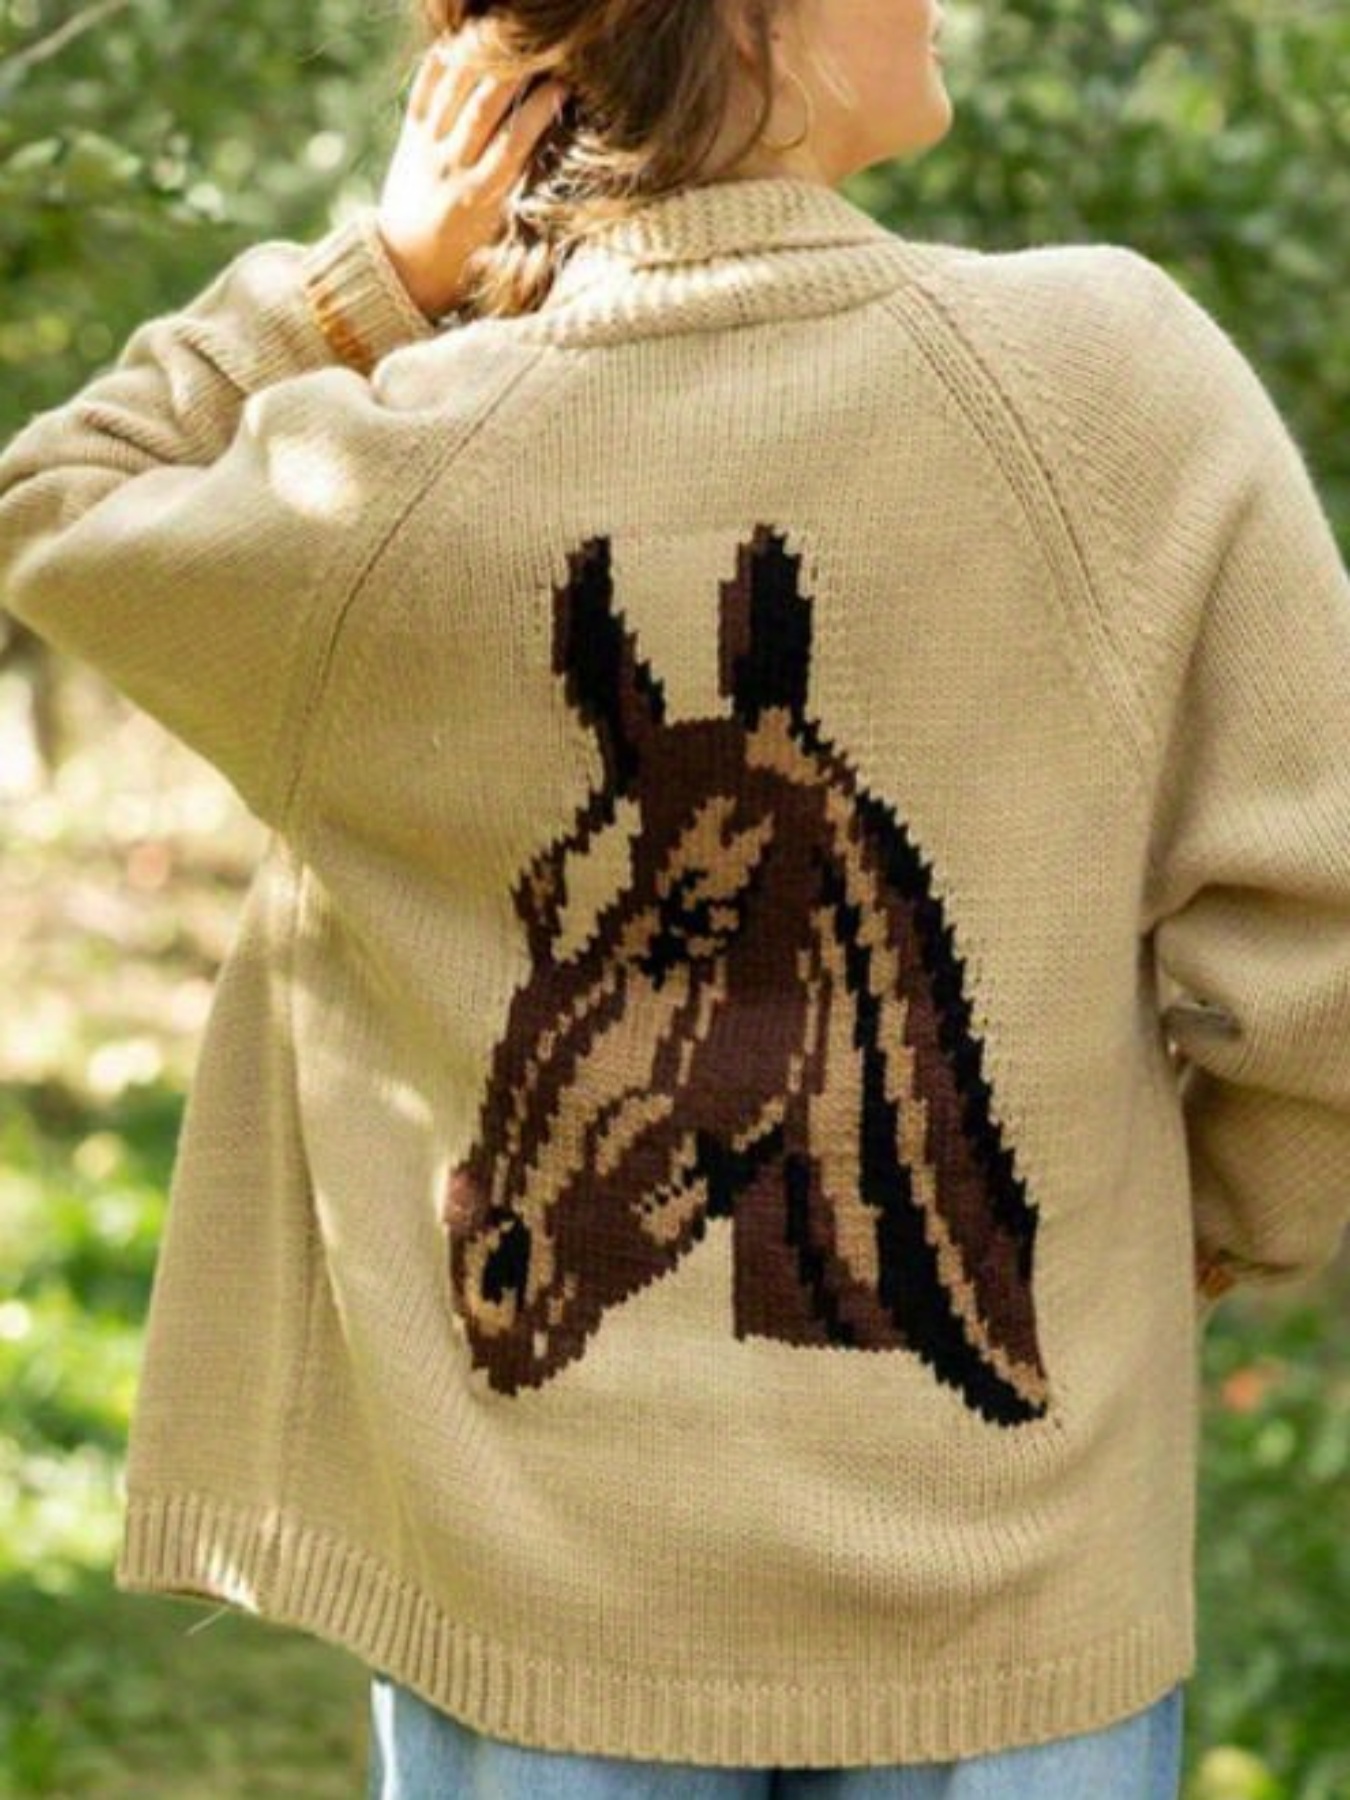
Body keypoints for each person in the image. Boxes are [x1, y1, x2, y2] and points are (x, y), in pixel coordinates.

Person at [2, 1, 1348, 1795]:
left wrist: (370, 280)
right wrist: (1211, 1244)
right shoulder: (1109, 388)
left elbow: (62, 503)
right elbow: (1320, 945)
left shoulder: (392, 477)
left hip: (529, 1606)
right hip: (1017, 1607)